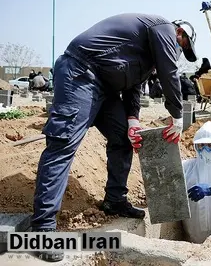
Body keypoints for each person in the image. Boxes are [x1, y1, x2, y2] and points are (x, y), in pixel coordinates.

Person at [31, 13, 198, 262]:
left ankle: (114, 199)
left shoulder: (145, 54)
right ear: (180, 33)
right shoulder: (162, 27)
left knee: (123, 137)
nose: (178, 50)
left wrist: (132, 119)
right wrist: (177, 114)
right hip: (81, 72)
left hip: (105, 87)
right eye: (182, 46)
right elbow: (169, 70)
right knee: (63, 142)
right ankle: (43, 230)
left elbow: (133, 84)